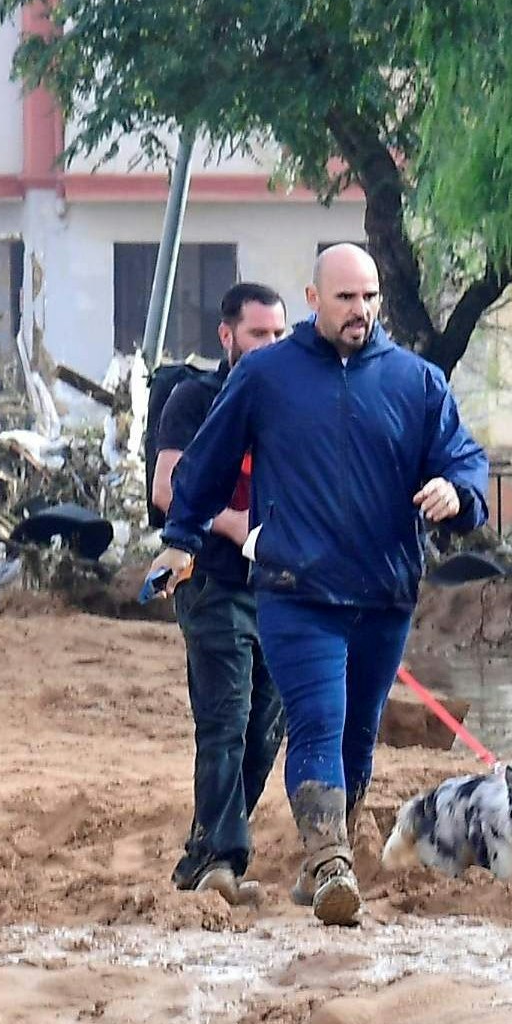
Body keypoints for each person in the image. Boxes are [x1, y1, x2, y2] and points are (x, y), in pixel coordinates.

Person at [163, 244, 489, 924]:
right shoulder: (265, 376)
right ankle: (331, 861)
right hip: (294, 590)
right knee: (317, 719)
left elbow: (464, 461)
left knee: (357, 736)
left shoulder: (417, 382)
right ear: (314, 300)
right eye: (346, 298)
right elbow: (208, 463)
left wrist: (456, 494)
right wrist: (180, 541)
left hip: (384, 593)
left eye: (370, 298)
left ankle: (325, 856)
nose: (360, 311)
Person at [145, 281, 293, 901]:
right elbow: (167, 491)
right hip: (209, 579)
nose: (270, 345)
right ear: (227, 336)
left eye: (279, 334)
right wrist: (240, 529)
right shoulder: (193, 398)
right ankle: (221, 860)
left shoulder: (290, 400)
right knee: (225, 718)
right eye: (258, 334)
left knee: (267, 727)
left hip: (278, 589)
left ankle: (205, 851)